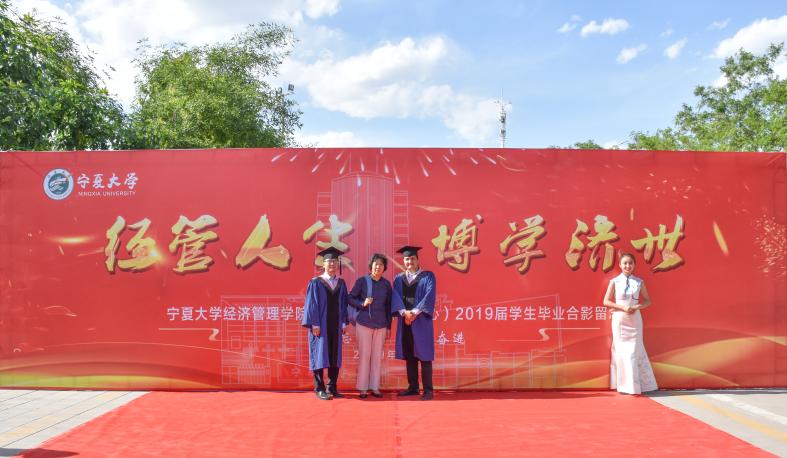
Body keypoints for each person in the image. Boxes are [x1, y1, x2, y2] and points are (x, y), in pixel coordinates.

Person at [603, 252, 658, 395]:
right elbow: (606, 301)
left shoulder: (639, 282)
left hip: (635, 320)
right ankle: (623, 385)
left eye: (630, 263)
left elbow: (647, 301)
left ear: (634, 265)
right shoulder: (615, 281)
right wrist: (622, 307)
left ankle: (637, 385)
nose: (628, 266)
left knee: (634, 350)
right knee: (621, 350)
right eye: (625, 263)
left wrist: (637, 306)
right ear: (620, 265)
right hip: (620, 319)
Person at [302, 247, 349, 400]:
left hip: (336, 325)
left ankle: (332, 387)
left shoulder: (341, 283)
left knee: (334, 355)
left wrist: (343, 323)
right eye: (329, 261)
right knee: (319, 354)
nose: (332, 264)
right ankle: (320, 388)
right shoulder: (316, 282)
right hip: (320, 325)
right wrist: (314, 324)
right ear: (323, 264)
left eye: (335, 261)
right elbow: (312, 304)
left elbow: (344, 304)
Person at [392, 246, 436, 400]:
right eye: (407, 259)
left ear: (417, 260)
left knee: (424, 355)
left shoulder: (428, 276)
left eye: (412, 259)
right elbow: (395, 297)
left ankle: (428, 390)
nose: (409, 262)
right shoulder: (398, 279)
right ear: (403, 261)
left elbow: (429, 296)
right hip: (405, 320)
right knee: (409, 354)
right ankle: (413, 387)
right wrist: (404, 313)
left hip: (421, 321)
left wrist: (414, 313)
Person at [348, 253, 393, 399]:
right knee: (364, 356)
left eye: (381, 264)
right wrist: (362, 303)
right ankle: (362, 388)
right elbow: (349, 298)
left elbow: (389, 307)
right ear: (371, 265)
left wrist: (389, 327)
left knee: (376, 357)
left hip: (381, 325)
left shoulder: (386, 285)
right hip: (364, 324)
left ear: (384, 268)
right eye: (376, 264)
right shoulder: (362, 281)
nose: (378, 267)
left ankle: (374, 387)